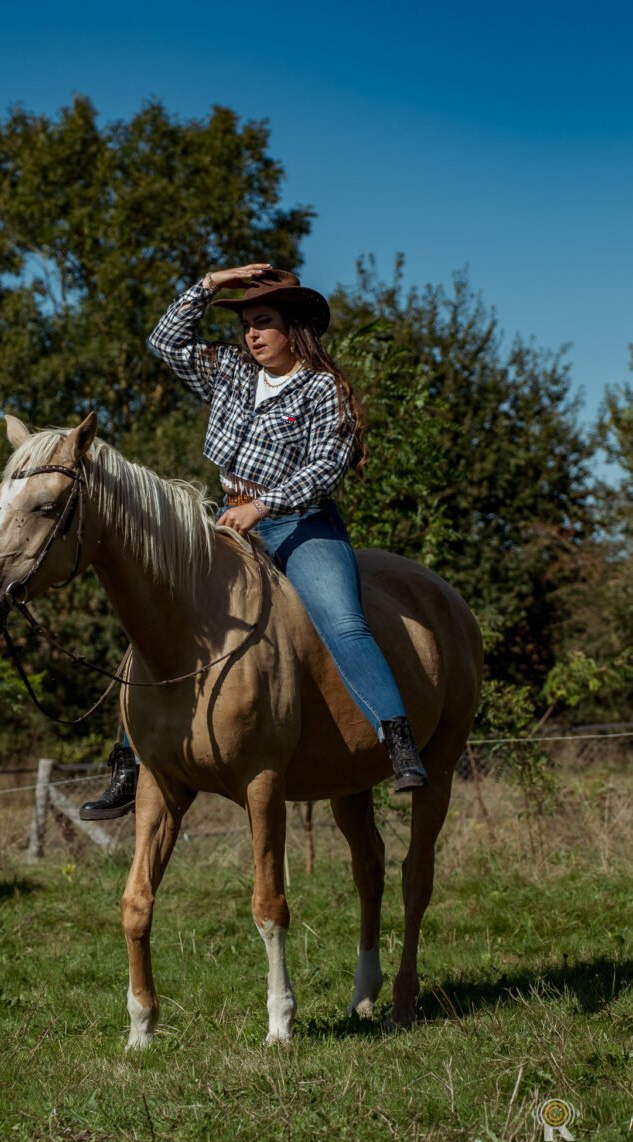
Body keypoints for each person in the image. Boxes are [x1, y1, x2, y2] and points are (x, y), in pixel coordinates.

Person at [79, 263, 426, 821]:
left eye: (263, 323)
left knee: (342, 620)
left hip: (299, 522)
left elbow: (328, 465)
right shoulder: (230, 371)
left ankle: (397, 736)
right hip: (229, 518)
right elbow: (164, 340)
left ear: (295, 329)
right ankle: (128, 759)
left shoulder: (322, 389)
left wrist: (262, 506)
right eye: (246, 325)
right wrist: (211, 283)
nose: (252, 335)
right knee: (160, 611)